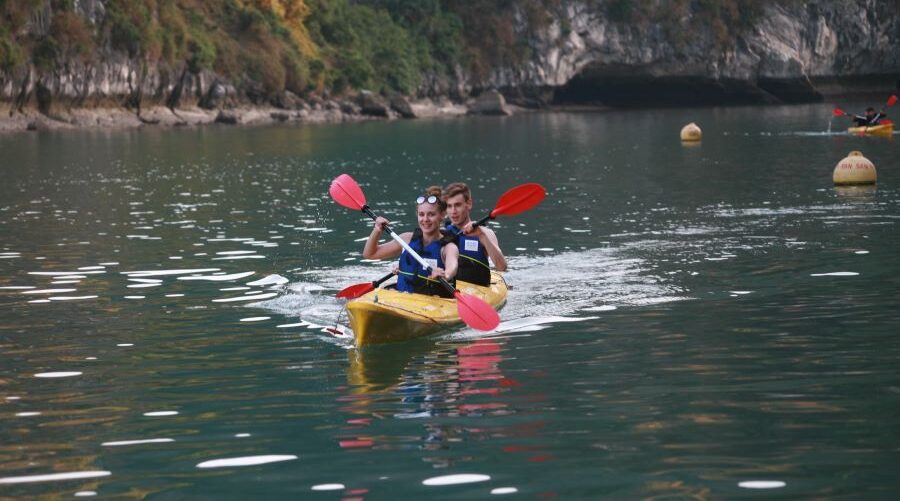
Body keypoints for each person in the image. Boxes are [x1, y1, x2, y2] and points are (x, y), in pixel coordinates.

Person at [362, 186, 458, 298]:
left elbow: (453, 267)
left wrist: (445, 274)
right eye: (421, 214)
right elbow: (370, 254)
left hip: (434, 305)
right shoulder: (406, 240)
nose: (425, 219)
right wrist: (377, 230)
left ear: (442, 215)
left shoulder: (448, 247)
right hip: (403, 299)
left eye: (431, 214)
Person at [442, 182, 507, 287]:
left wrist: (482, 235)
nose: (453, 211)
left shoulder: (485, 233)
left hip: (478, 290)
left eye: (457, 205)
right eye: (449, 206)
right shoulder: (441, 233)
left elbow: (501, 267)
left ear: (469, 204)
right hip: (449, 292)